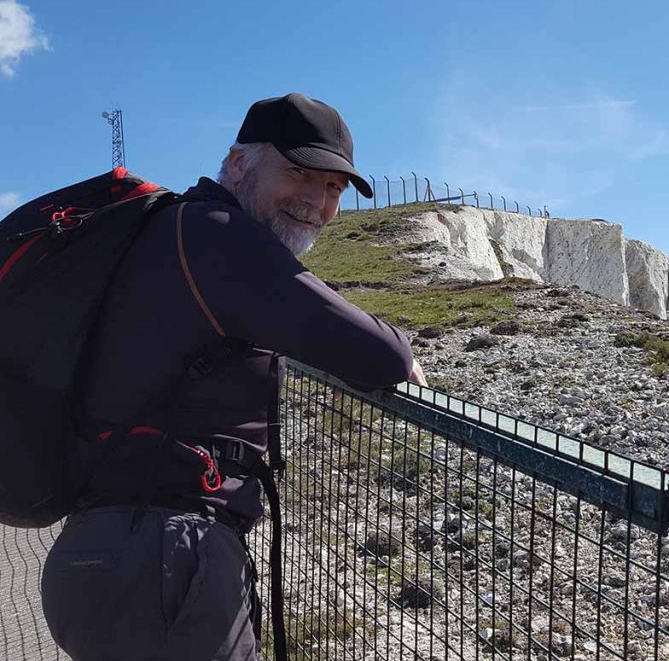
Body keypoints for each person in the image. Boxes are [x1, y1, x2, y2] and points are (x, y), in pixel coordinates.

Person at [41, 93, 425, 660]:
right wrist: (400, 352)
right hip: (164, 560)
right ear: (239, 161)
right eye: (298, 172)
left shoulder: (177, 228)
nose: (317, 201)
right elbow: (382, 356)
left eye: (334, 188)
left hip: (121, 555)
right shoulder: (219, 235)